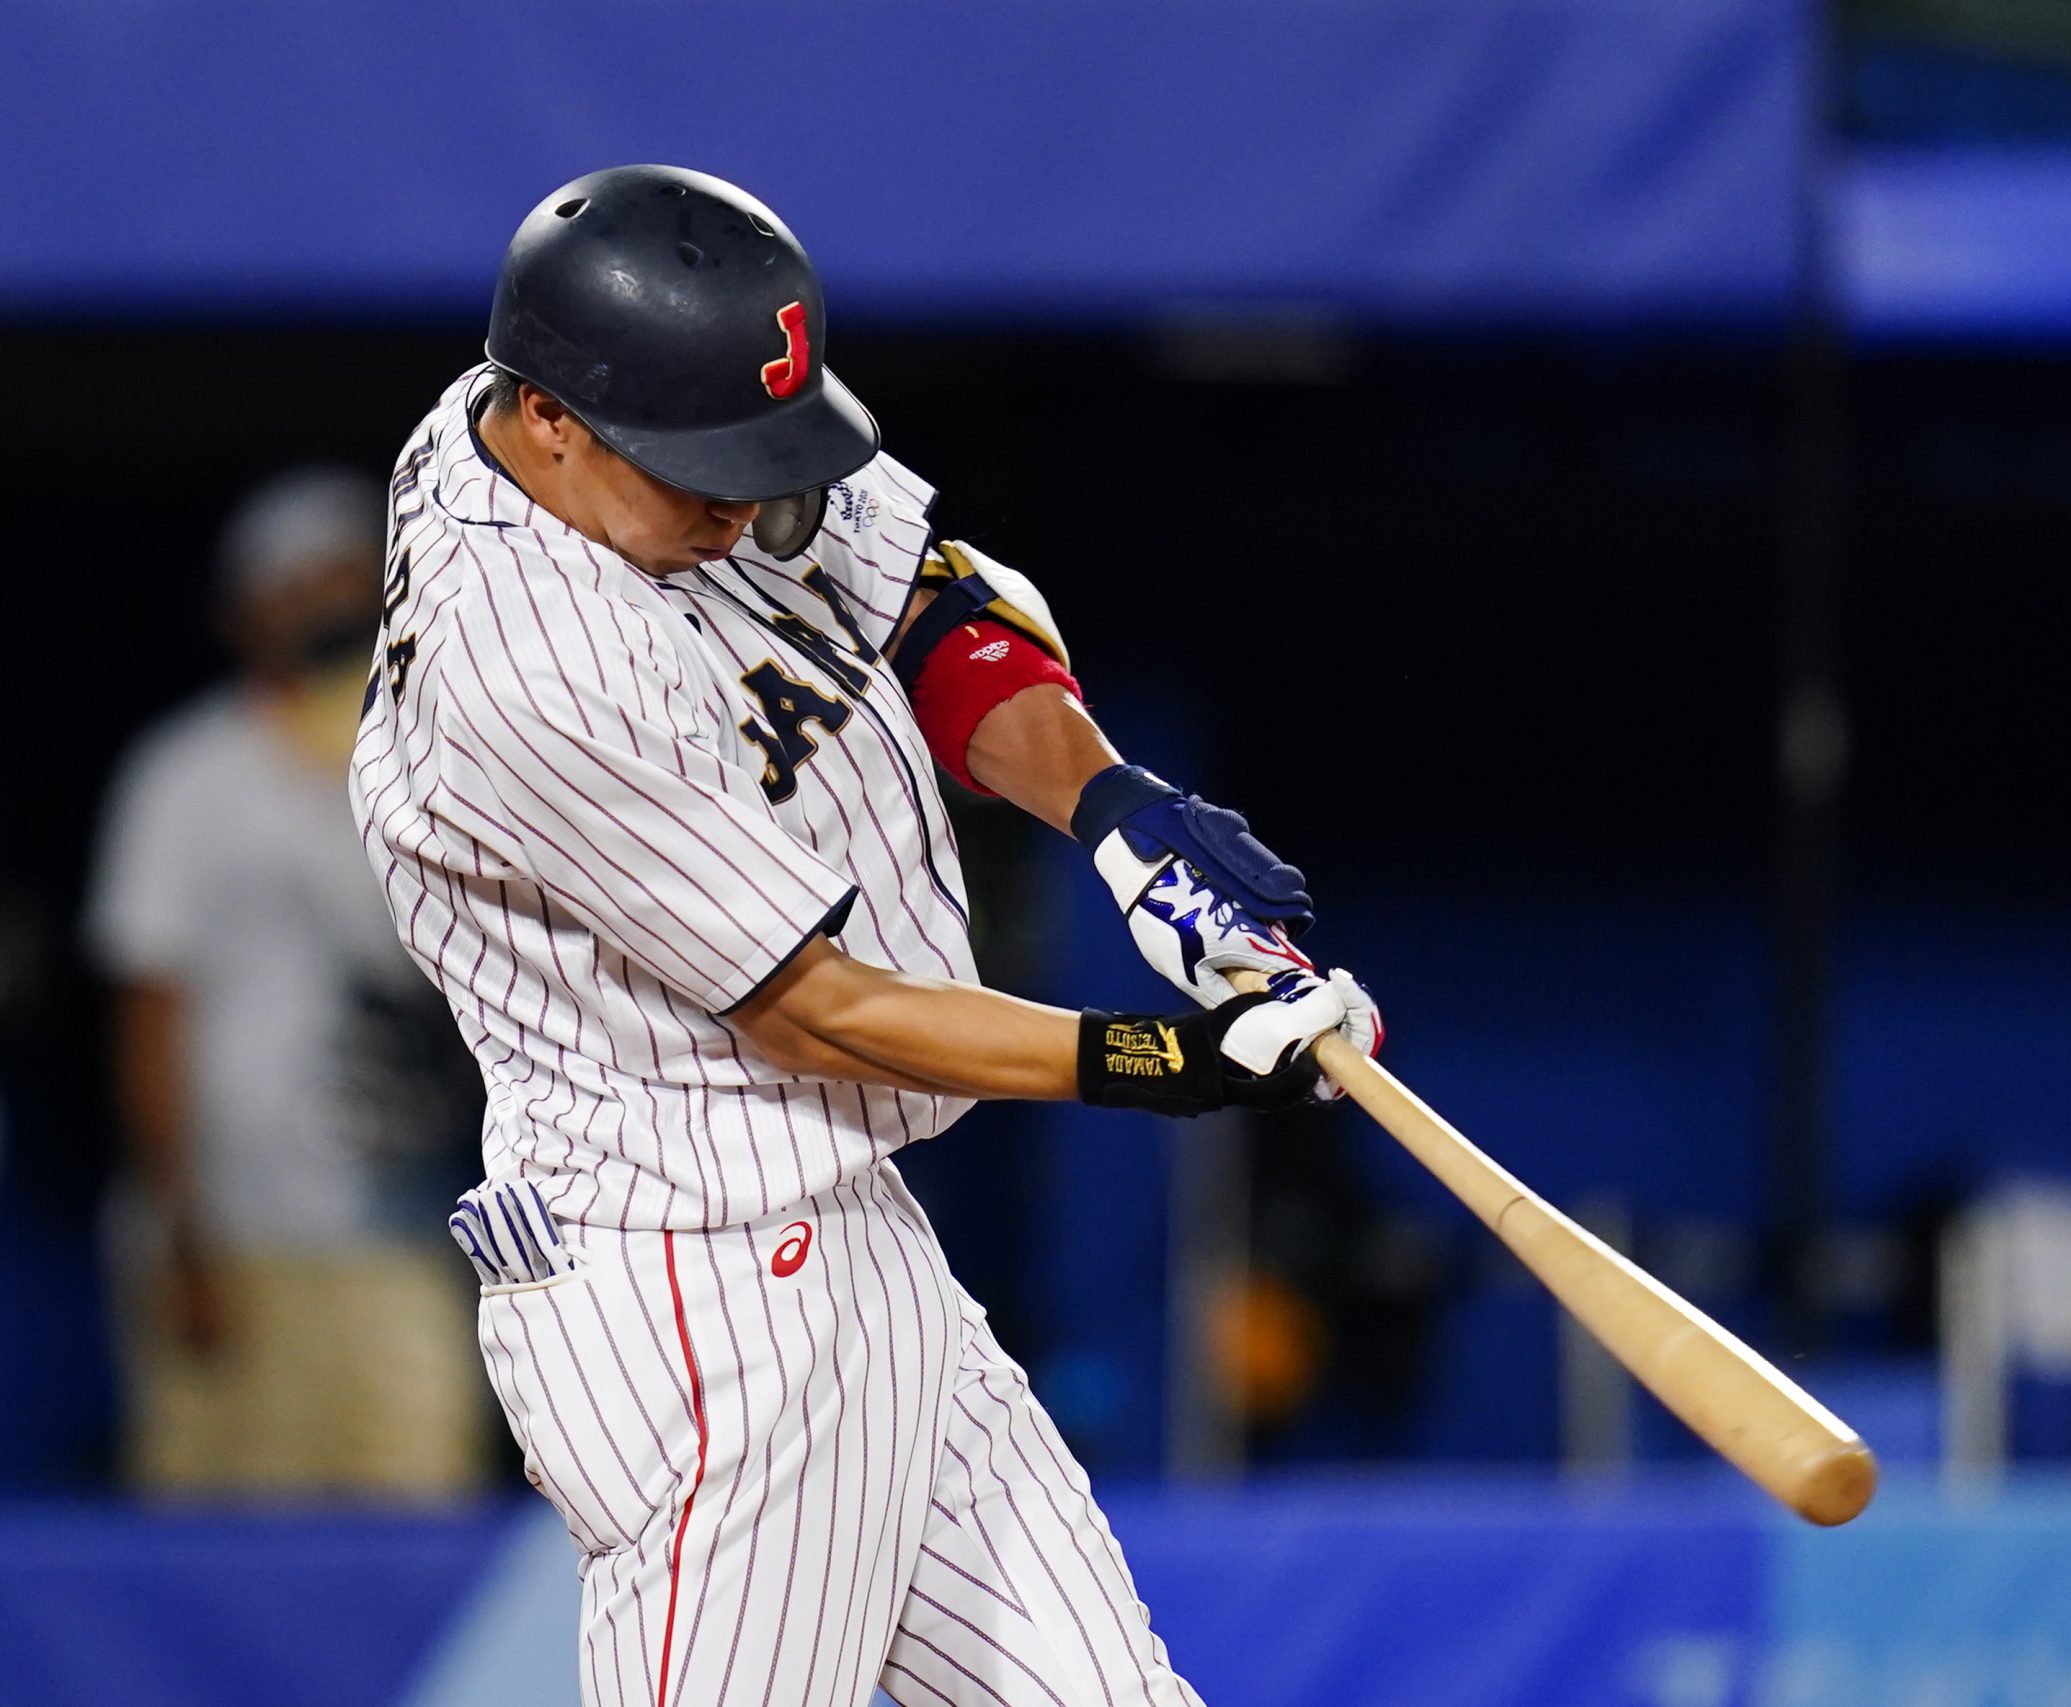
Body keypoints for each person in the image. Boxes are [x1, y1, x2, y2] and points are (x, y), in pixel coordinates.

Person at [355, 165, 1381, 1706]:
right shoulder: (526, 670)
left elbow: (924, 598)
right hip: (694, 1286)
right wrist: (1177, 1055)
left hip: (856, 1234)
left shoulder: (557, 414)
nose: (742, 506)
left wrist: (1114, 817)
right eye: (699, 469)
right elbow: (817, 1007)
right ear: (552, 419)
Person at [89, 468, 488, 1498]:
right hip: (236, 1233)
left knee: (414, 1506)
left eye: (343, 575)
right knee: (225, 1532)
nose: (323, 601)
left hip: (401, 1223)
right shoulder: (185, 776)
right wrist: (181, 1229)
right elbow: (149, 1009)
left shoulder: (440, 768)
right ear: (241, 612)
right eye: (293, 581)